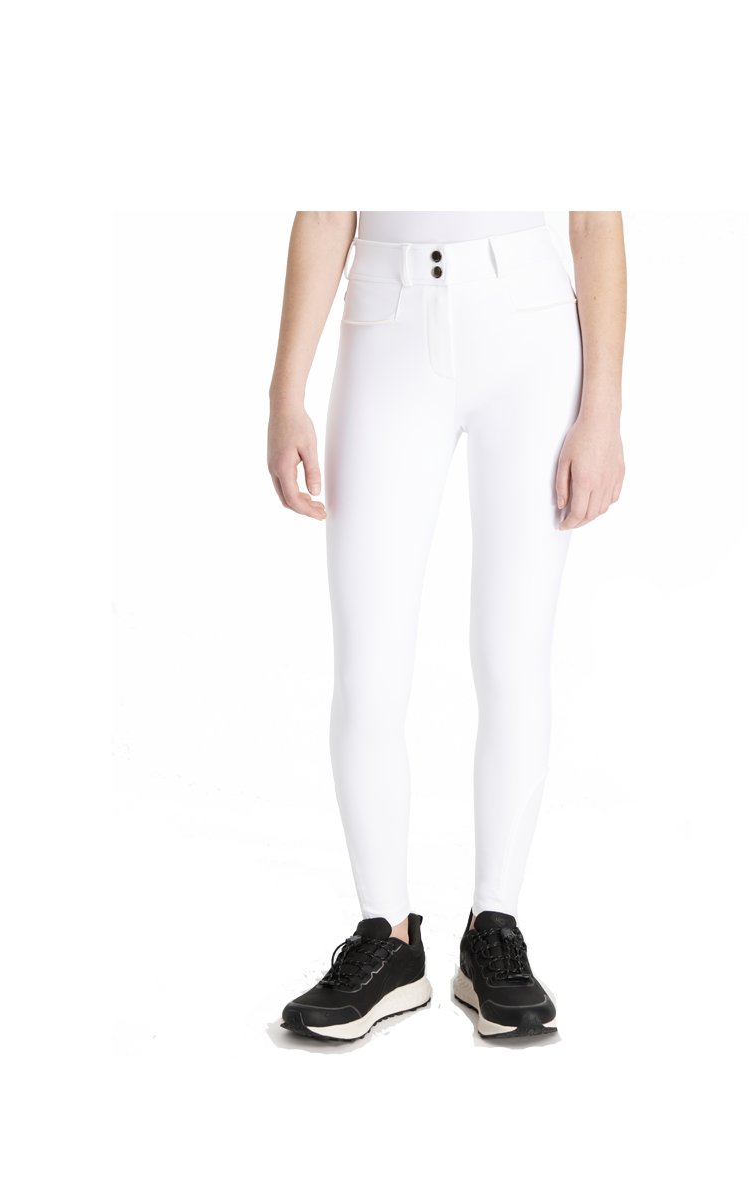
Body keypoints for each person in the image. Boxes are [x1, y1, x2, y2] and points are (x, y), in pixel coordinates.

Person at [266, 211, 626, 1041]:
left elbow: (595, 217)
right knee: (367, 666)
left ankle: (493, 924)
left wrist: (602, 410)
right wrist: (285, 394)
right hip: (385, 326)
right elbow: (326, 208)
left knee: (512, 655)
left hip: (530, 333)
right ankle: (386, 935)